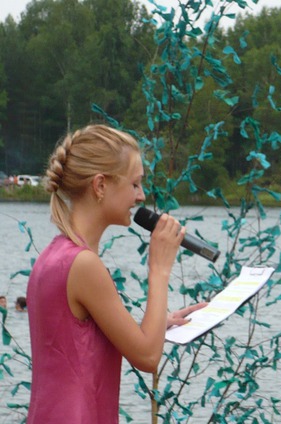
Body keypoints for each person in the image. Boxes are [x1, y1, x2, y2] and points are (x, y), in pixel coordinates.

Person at [27, 124, 206, 423]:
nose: (141, 196)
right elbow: (148, 357)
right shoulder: (83, 264)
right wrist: (159, 268)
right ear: (100, 186)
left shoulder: (52, 257)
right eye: (135, 184)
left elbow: (75, 344)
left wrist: (156, 325)